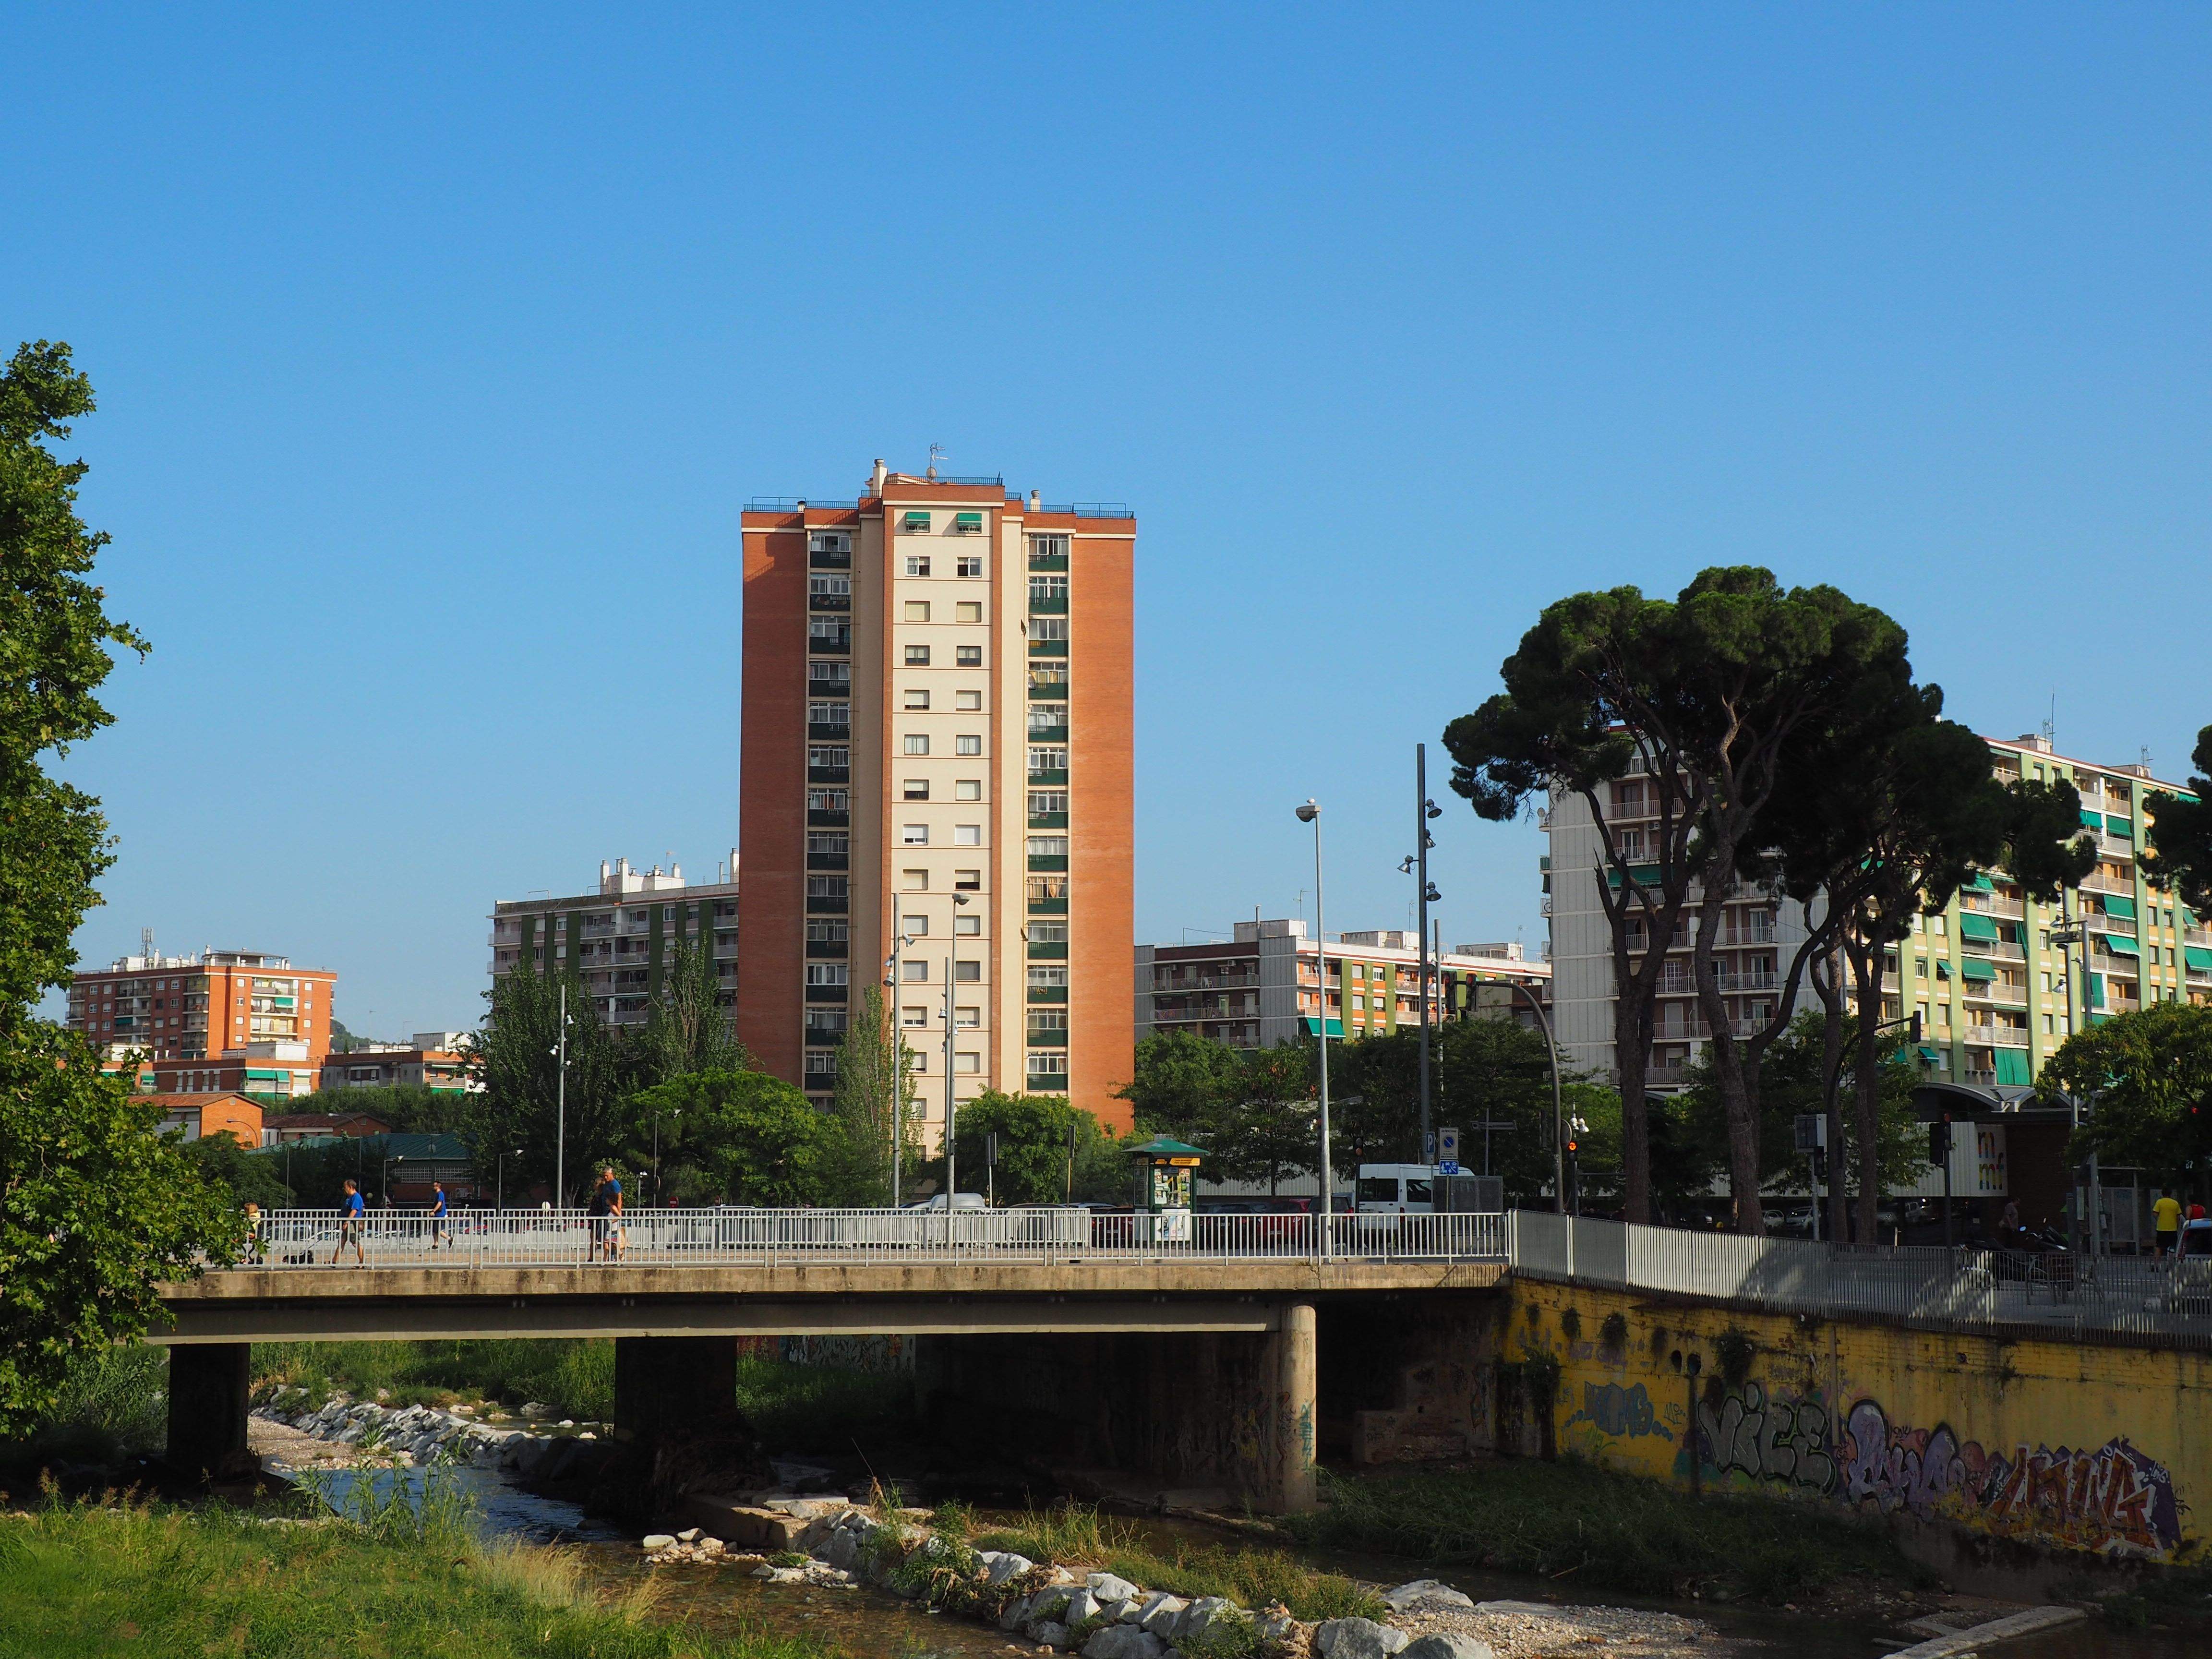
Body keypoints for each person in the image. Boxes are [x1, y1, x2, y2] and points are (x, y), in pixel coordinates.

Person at [586, 1167, 623, 1262]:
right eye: (604, 1175)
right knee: (604, 1238)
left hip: (611, 1215)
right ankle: (607, 1258)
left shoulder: (615, 1185)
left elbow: (619, 1199)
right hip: (605, 1214)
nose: (605, 1177)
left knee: (610, 1239)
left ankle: (615, 1256)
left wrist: (618, 1213)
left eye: (607, 1175)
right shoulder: (607, 1185)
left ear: (611, 1174)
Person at [332, 1179, 366, 1267]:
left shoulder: (356, 1197)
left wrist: (347, 1222)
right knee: (342, 1242)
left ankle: (362, 1262)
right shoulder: (350, 1197)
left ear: (351, 1187)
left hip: (352, 1223)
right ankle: (334, 1261)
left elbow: (354, 1211)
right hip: (348, 1223)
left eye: (345, 1187)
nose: (344, 1189)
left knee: (355, 1242)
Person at [2153, 1191, 2183, 1258]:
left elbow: (2155, 1213)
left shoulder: (2159, 1202)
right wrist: (2177, 1225)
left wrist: (2159, 1220)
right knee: (2172, 1248)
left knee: (2159, 1247)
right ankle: (2170, 1265)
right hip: (2172, 1229)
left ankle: (2156, 1266)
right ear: (2171, 1194)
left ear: (2162, 1194)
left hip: (2161, 1229)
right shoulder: (2175, 1203)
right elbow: (2178, 1217)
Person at [429, 1180, 451, 1250]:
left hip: (440, 1214)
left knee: (437, 1230)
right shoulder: (437, 1194)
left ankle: (449, 1238)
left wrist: (433, 1211)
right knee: (434, 1230)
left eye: (434, 1186)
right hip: (437, 1215)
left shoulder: (440, 1194)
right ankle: (436, 1244)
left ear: (438, 1186)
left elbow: (440, 1203)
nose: (433, 1187)